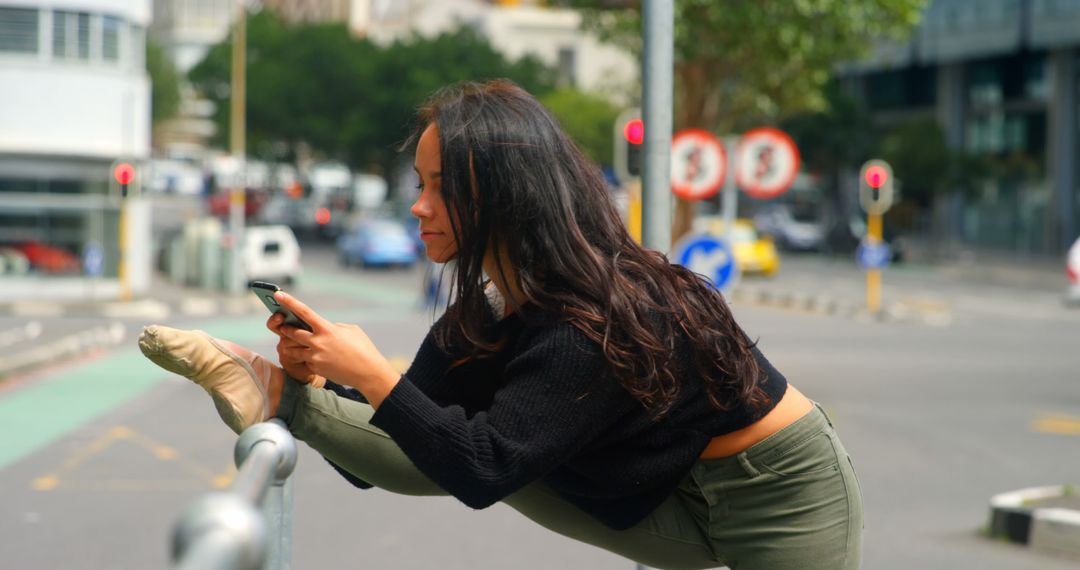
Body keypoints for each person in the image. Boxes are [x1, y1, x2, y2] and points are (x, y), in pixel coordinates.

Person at [139, 79, 862, 570]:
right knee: (439, 434)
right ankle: (277, 395)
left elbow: (482, 470)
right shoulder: (488, 310)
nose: (417, 208)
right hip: (662, 485)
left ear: (502, 196)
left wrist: (370, 374)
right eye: (416, 186)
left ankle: (279, 400)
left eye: (438, 188)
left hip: (778, 491)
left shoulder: (596, 319)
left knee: (474, 450)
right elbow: (397, 448)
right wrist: (320, 376)